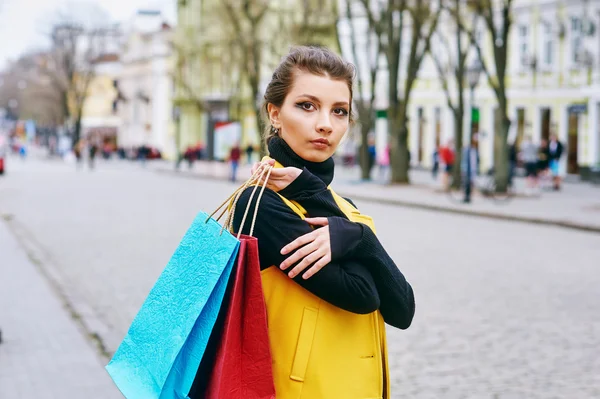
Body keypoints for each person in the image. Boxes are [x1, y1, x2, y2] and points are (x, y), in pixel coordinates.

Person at [230, 46, 415, 398]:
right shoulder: (260, 204)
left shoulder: (344, 208)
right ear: (275, 113)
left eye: (339, 111)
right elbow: (363, 296)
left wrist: (359, 238)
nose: (325, 124)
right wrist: (354, 235)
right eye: (307, 106)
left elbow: (403, 308)